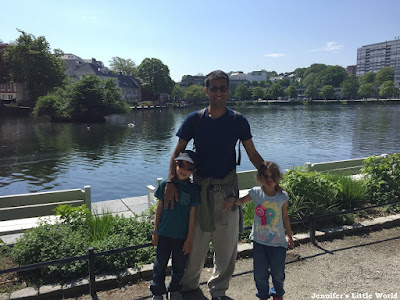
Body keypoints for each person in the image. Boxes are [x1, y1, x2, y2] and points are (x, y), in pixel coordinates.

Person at [163, 70, 265, 300]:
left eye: (223, 88)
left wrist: (267, 174)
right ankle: (188, 286)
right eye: (214, 88)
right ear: (206, 90)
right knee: (194, 242)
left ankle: (218, 289)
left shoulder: (238, 120)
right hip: (200, 189)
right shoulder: (194, 119)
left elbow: (252, 153)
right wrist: (171, 181)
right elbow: (177, 152)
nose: (219, 93)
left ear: (228, 90)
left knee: (226, 246)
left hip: (228, 189)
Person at [223, 161, 294, 300]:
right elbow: (241, 201)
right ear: (260, 177)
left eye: (272, 176)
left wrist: (290, 236)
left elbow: (285, 217)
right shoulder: (256, 193)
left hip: (278, 244)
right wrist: (232, 200)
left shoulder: (282, 196)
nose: (269, 180)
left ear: (277, 178)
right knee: (259, 274)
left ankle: (278, 294)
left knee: (278, 274)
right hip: (259, 243)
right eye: (265, 176)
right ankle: (263, 295)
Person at [150, 150, 201, 300]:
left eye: (189, 167)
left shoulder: (193, 190)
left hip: (182, 236)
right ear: (175, 165)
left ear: (194, 170)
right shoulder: (166, 185)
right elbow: (159, 209)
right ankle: (157, 291)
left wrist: (190, 238)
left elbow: (193, 216)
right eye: (181, 165)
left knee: (179, 266)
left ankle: (174, 289)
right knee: (159, 265)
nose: (185, 170)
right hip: (164, 233)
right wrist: (155, 231)